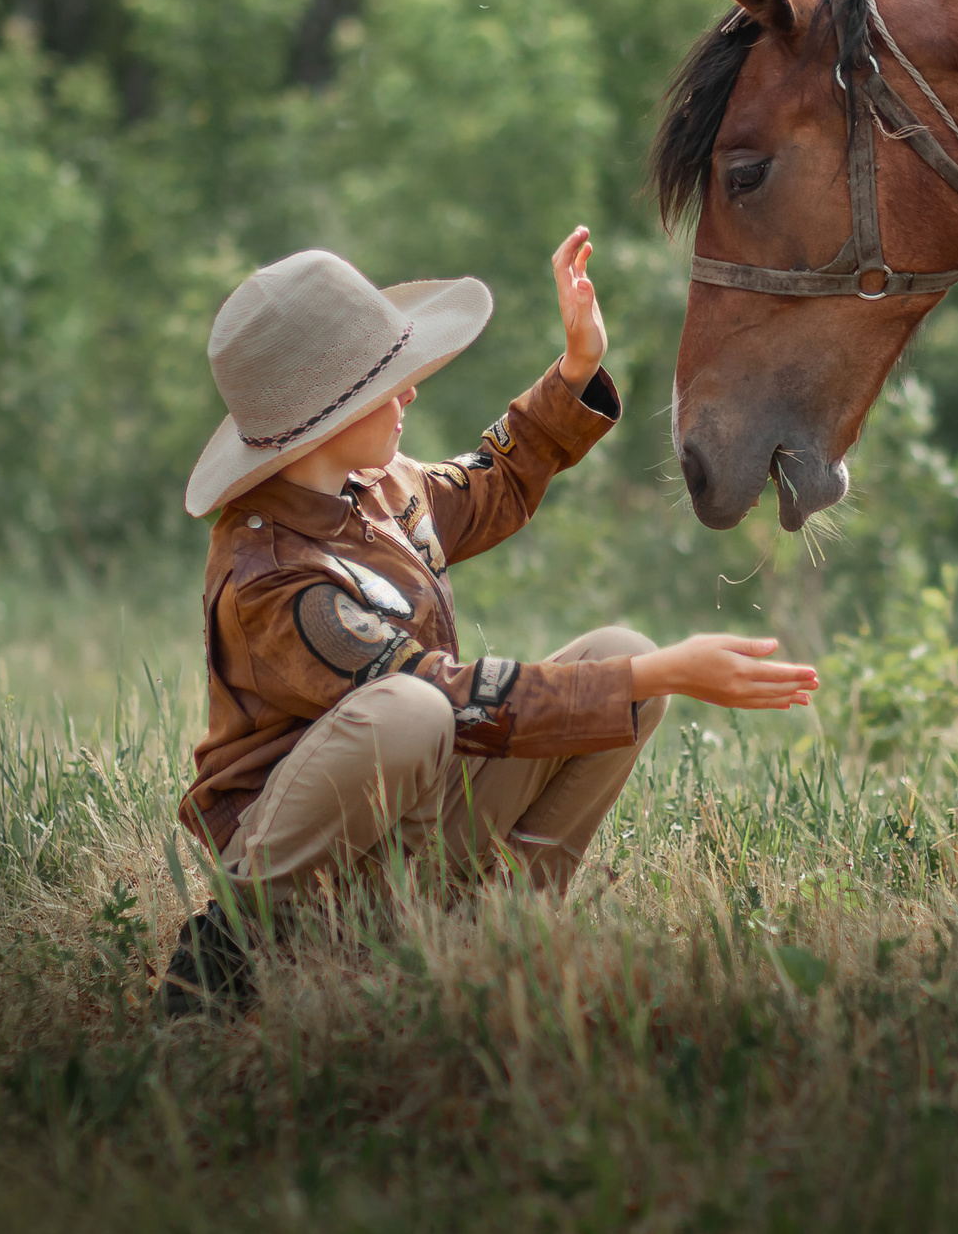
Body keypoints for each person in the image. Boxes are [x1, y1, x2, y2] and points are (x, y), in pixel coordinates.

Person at [159, 227, 816, 1016]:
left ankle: (496, 932)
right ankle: (240, 943)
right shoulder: (270, 576)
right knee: (416, 710)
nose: (409, 393)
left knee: (617, 656)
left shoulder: (380, 486)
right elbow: (445, 695)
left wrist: (576, 368)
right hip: (311, 848)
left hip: (411, 819)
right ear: (325, 418)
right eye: (388, 382)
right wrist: (663, 673)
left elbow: (493, 480)